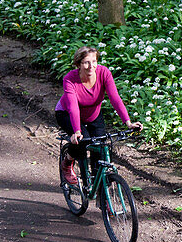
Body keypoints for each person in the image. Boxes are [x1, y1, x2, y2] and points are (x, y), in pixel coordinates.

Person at [56, 46, 142, 185]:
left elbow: (115, 99)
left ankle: (102, 196)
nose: (91, 66)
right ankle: (67, 161)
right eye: (86, 62)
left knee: (100, 147)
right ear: (78, 64)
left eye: (94, 61)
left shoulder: (103, 73)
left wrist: (128, 122)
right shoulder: (70, 79)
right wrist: (77, 131)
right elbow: (73, 107)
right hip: (67, 114)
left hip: (93, 114)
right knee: (82, 142)